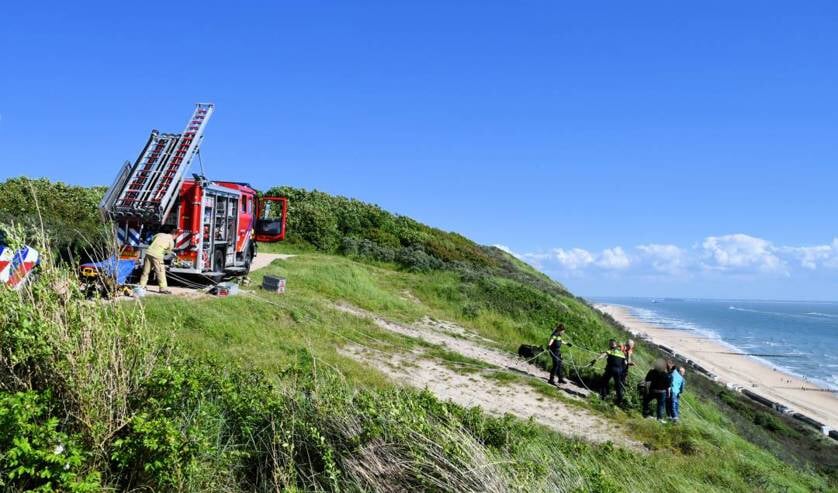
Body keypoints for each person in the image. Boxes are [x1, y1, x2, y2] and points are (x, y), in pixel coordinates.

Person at [139, 225, 175, 294]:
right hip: (157, 255)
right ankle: (163, 288)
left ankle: (142, 286)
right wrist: (165, 252)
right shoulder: (170, 237)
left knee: (145, 271)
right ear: (170, 231)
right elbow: (170, 249)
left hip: (148, 253)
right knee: (160, 272)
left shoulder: (157, 235)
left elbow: (152, 240)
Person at [592, 339, 626, 404]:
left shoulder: (610, 351)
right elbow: (625, 363)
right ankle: (620, 401)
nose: (610, 345)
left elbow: (603, 355)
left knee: (603, 382)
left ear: (614, 345)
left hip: (611, 369)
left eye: (611, 344)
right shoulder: (622, 353)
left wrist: (595, 360)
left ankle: (603, 397)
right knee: (618, 386)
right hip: (619, 371)